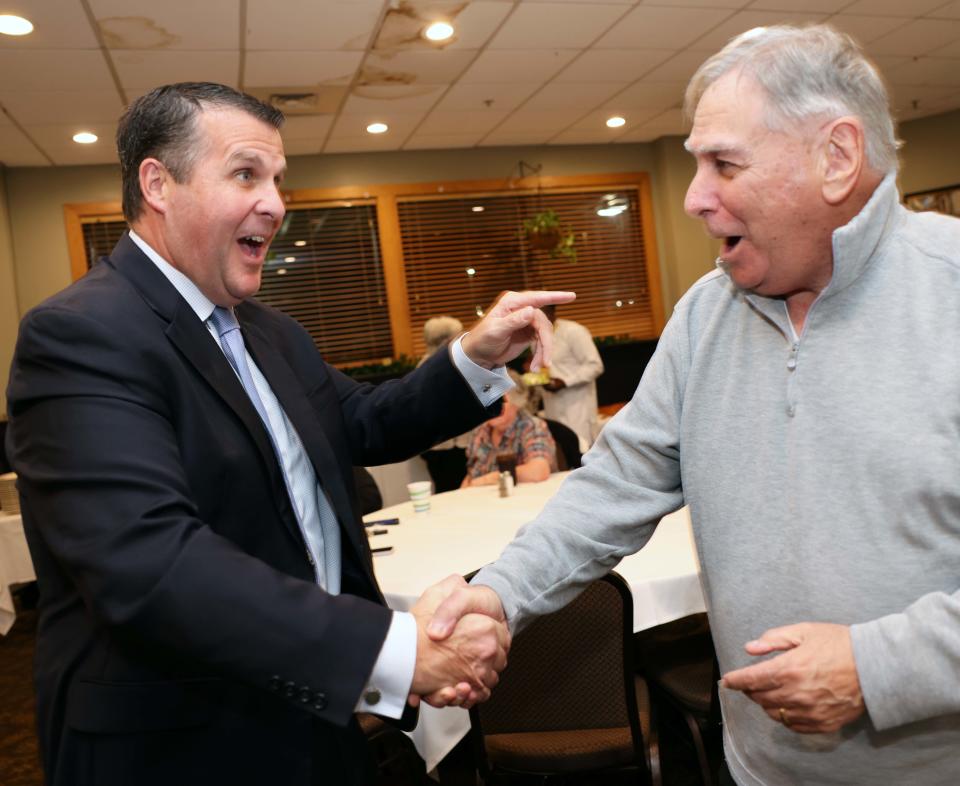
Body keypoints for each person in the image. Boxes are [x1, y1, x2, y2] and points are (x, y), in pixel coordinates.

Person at [424, 25, 960, 785]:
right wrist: (494, 599)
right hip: (756, 767)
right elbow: (613, 486)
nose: (694, 197)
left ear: (835, 158)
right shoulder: (706, 315)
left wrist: (879, 666)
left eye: (723, 164)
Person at [5, 82, 574, 786]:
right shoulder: (81, 335)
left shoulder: (270, 331)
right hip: (177, 745)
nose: (275, 202)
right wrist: (392, 651)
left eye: (277, 180)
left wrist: (475, 358)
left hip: (310, 710)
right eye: (246, 174)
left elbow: (364, 420)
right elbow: (150, 564)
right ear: (158, 182)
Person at [462, 371, 558, 487]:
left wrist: (493, 477)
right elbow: (471, 476)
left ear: (517, 402)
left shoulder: (531, 427)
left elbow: (538, 471)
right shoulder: (480, 431)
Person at [418, 316, 473, 492]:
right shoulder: (432, 367)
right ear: (445, 341)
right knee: (451, 491)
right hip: (446, 444)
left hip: (447, 443)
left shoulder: (429, 364)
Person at [539, 304, 604, 453]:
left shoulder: (573, 331)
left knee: (583, 453)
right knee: (563, 456)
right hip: (552, 408)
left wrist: (565, 382)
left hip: (577, 408)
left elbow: (595, 366)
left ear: (551, 312)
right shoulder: (536, 336)